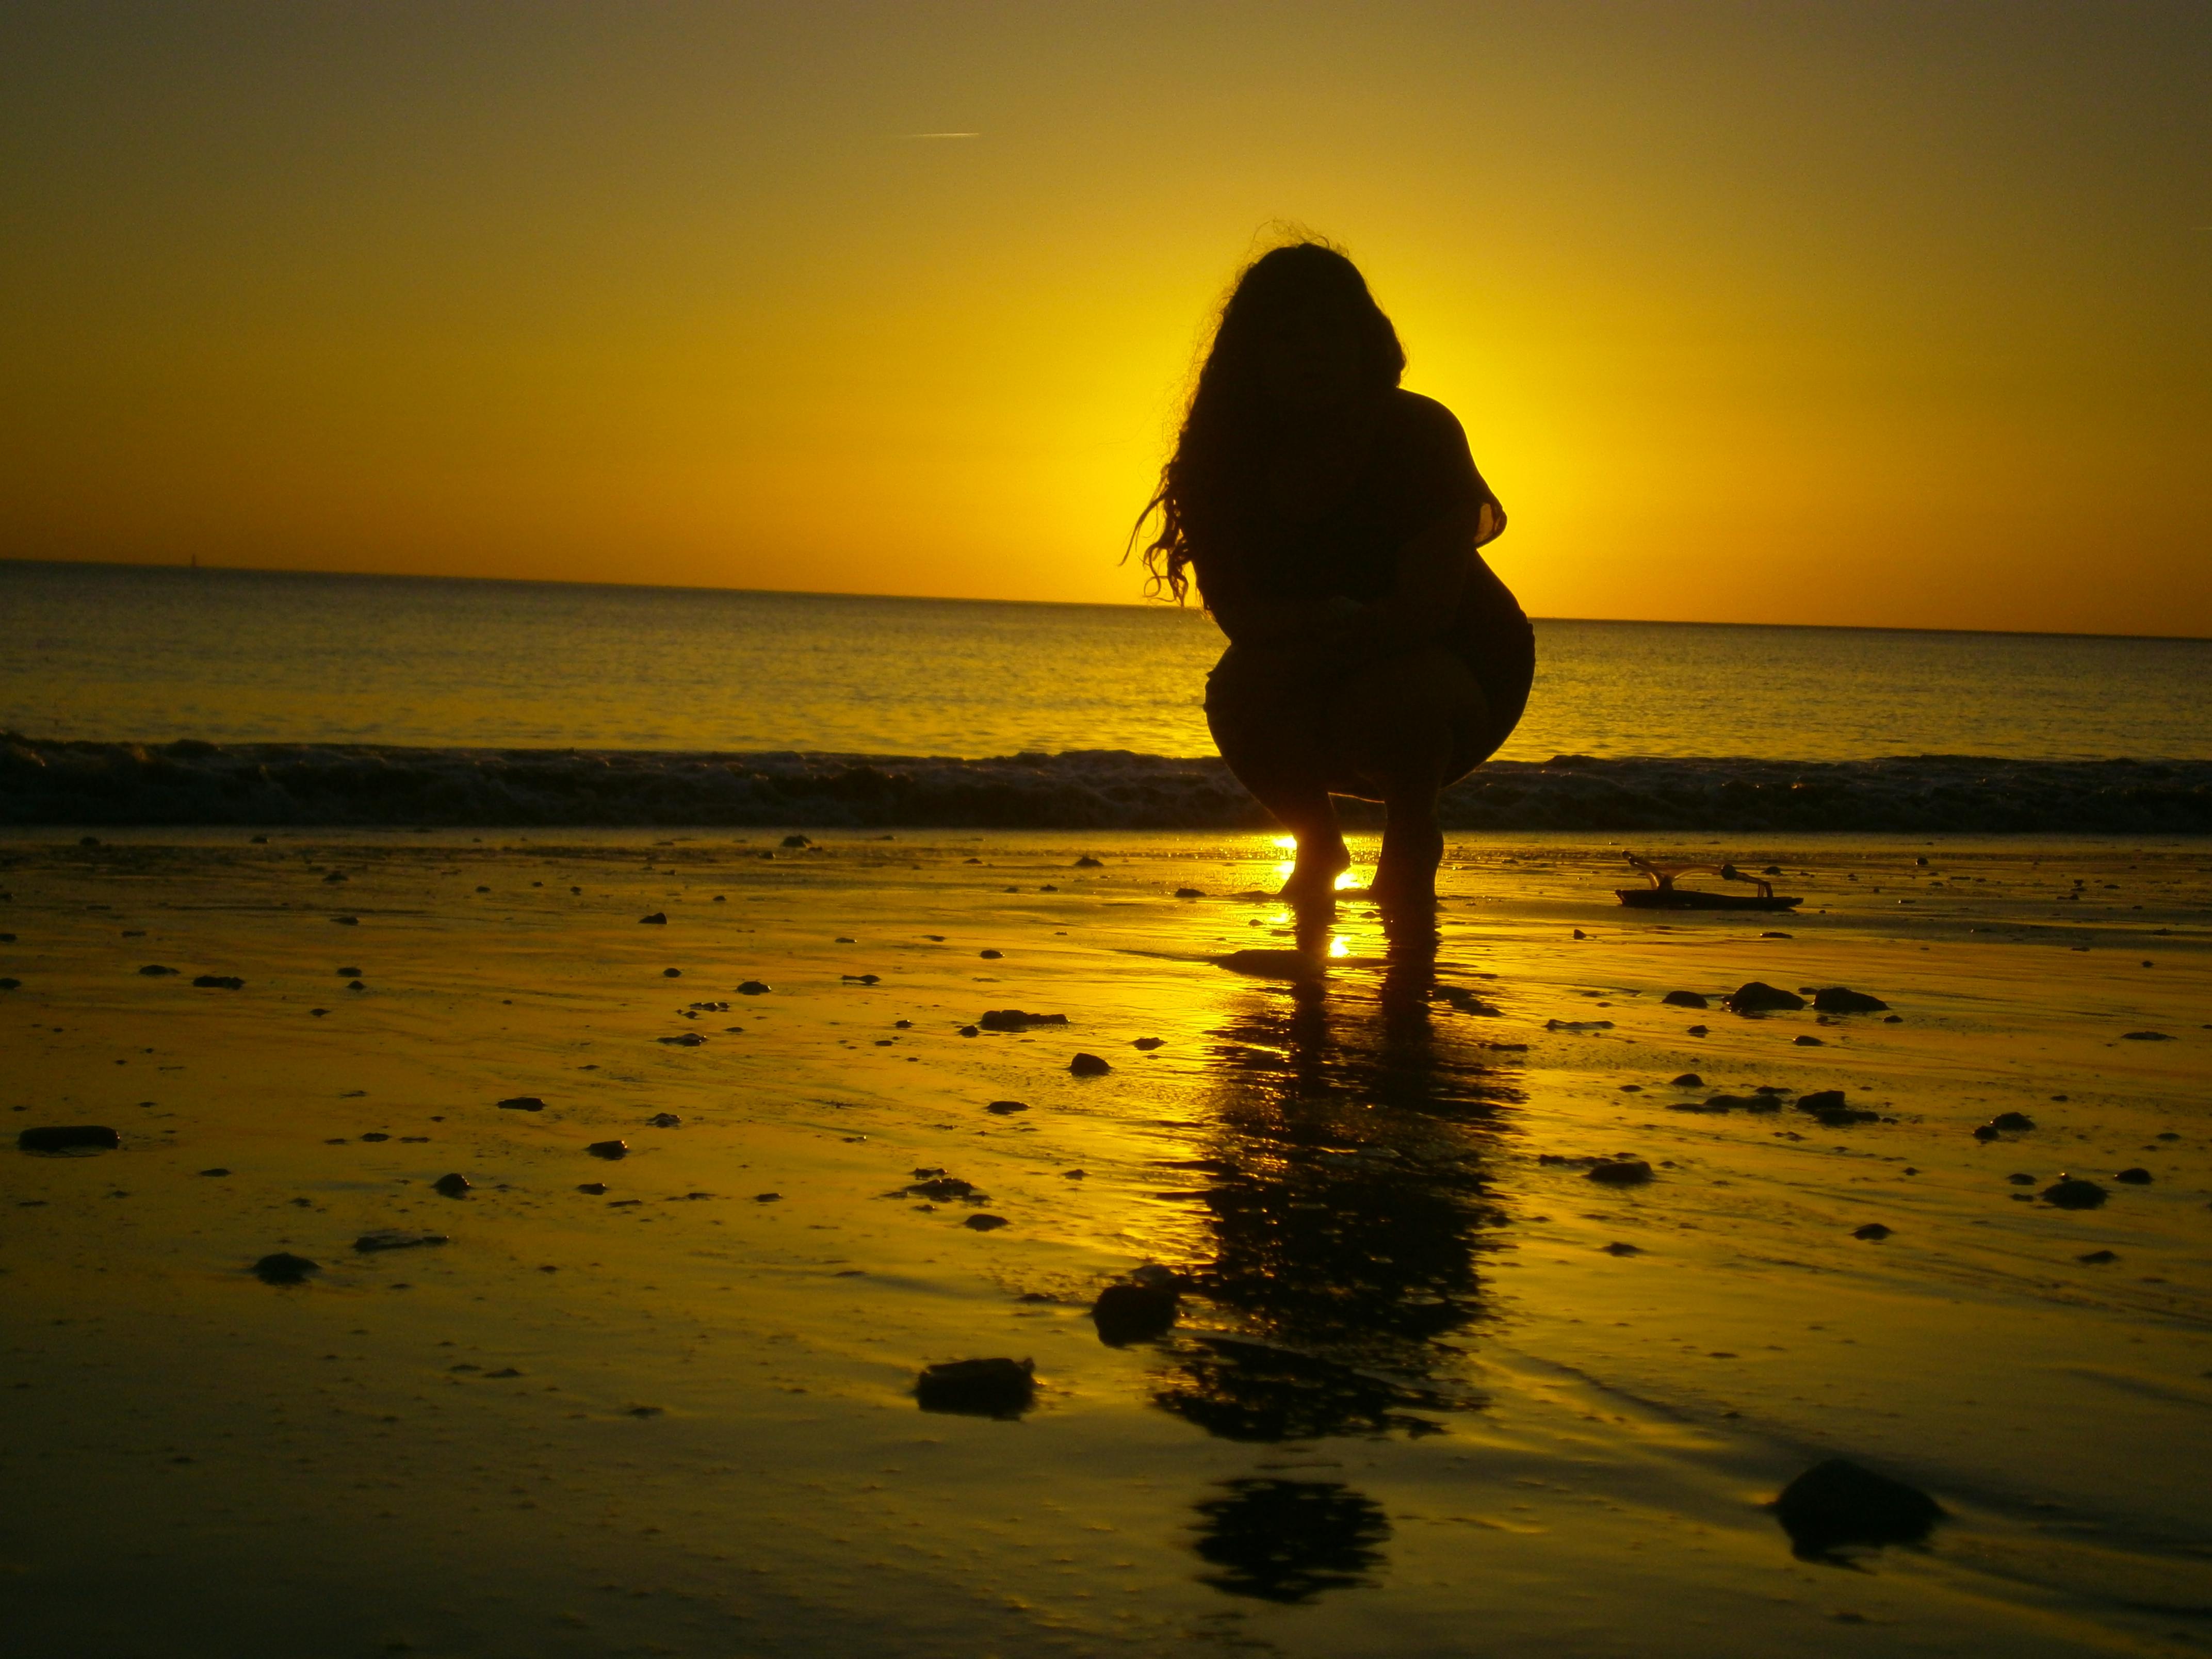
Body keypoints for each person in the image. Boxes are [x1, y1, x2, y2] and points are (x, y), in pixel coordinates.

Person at [1133, 240, 1535, 907]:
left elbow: (1427, 611)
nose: (1309, 351)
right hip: (1319, 651)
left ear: (1363, 340)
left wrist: (1320, 638)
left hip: (1462, 663)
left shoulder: (1418, 431)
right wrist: (1319, 633)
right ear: (1252, 357)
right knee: (1237, 690)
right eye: (1286, 336)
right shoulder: (1222, 458)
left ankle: (1413, 837)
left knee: (1394, 694)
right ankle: (1318, 844)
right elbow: (1240, 614)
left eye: (1327, 330)